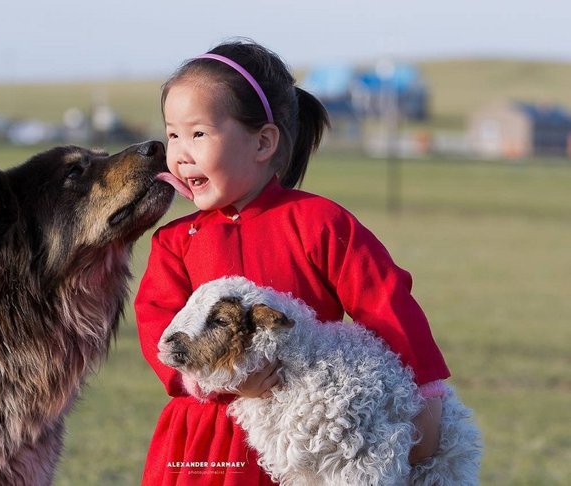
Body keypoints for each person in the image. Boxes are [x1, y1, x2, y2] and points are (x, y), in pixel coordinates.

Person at [135, 38, 450, 486]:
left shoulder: (319, 223)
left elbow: (387, 303)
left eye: (198, 133)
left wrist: (427, 395)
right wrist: (212, 379)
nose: (181, 152)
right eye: (172, 134)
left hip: (307, 429)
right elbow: (158, 325)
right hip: (205, 442)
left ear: (263, 141)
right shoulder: (174, 242)